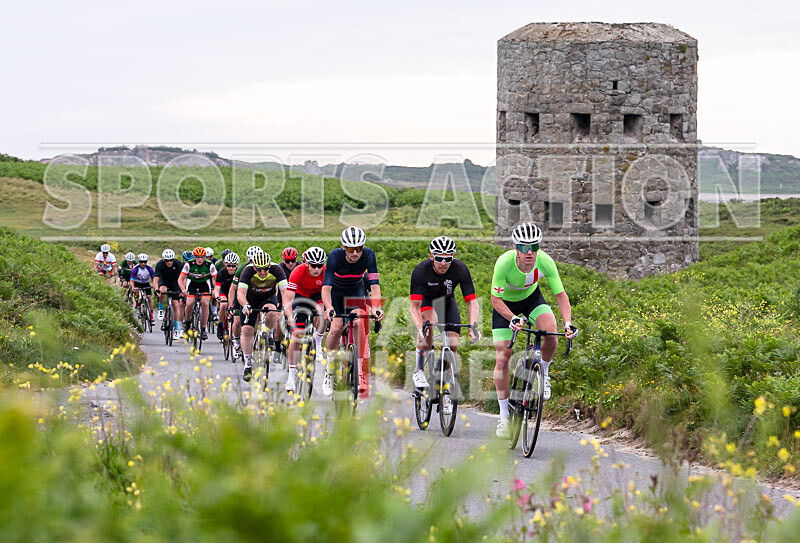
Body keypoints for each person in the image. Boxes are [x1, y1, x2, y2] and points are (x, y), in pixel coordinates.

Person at [490, 222, 576, 439]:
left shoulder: (545, 262)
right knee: (503, 358)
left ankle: (543, 373)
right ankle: (503, 417)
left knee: (551, 334)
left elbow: (561, 296)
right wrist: (511, 318)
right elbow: (495, 300)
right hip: (505, 308)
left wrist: (568, 323)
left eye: (534, 247)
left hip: (532, 300)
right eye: (524, 247)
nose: (530, 252)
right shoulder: (504, 263)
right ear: (515, 248)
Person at [409, 236, 480, 411]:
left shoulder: (460, 269)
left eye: (447, 259)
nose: (443, 263)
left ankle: (447, 391)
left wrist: (474, 327)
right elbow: (414, 307)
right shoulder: (421, 271)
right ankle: (418, 370)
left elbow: (472, 302)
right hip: (427, 302)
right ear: (431, 256)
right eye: (439, 258)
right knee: (429, 326)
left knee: (453, 344)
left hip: (448, 303)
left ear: (453, 258)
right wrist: (420, 328)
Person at [321, 226, 384, 398]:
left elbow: (374, 285)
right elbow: (326, 288)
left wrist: (376, 307)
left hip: (356, 291)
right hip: (336, 293)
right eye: (350, 249)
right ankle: (330, 369)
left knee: (358, 321)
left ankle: (359, 363)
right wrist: (329, 308)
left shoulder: (369, 255)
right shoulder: (335, 256)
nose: (355, 253)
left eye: (359, 249)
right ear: (343, 247)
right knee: (336, 327)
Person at [237, 251, 289, 382]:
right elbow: (241, 293)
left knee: (272, 312)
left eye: (265, 269)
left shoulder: (277, 269)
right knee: (246, 330)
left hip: (268, 297)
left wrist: (287, 308)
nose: (263, 273)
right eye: (259, 270)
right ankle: (248, 364)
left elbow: (285, 292)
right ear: (254, 267)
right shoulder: (247, 271)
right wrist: (245, 305)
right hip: (250, 299)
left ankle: (270, 333)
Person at [283, 246, 327, 392]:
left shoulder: (326, 272)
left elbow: (330, 294)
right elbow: (288, 299)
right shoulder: (297, 272)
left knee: (323, 313)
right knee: (297, 335)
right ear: (306, 263)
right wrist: (289, 316)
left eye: (320, 265)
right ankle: (291, 376)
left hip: (318, 296)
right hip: (300, 297)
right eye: (313, 265)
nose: (316, 269)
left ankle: (318, 345)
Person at [228, 246, 262, 358]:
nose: (253, 263)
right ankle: (236, 342)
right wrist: (230, 305)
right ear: (248, 260)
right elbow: (233, 288)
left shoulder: (263, 268)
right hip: (242, 295)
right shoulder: (242, 269)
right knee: (237, 321)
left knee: (258, 318)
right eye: (251, 261)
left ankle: (255, 340)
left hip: (256, 296)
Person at [179, 246, 217, 341]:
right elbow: (181, 279)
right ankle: (187, 323)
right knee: (189, 303)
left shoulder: (210, 265)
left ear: (205, 257)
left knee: (205, 303)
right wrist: (183, 289)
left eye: (202, 257)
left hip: (204, 284)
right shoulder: (189, 264)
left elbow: (215, 278)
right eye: (197, 257)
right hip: (192, 284)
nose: (200, 259)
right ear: (194, 257)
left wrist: (215, 289)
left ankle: (203, 329)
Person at [154, 249, 184, 339]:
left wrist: (183, 289)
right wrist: (156, 289)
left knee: (176, 304)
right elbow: (156, 279)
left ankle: (176, 329)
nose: (169, 262)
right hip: (164, 281)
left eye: (171, 260)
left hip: (175, 282)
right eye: (167, 261)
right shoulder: (159, 264)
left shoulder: (178, 264)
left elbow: (184, 278)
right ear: (164, 260)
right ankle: (160, 309)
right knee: (163, 290)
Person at [213, 251, 240, 341]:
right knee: (224, 304)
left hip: (235, 292)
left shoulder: (240, 272)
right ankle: (220, 324)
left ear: (237, 266)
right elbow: (217, 288)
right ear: (225, 265)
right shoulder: (221, 272)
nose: (231, 268)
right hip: (223, 291)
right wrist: (217, 297)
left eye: (233, 266)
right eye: (229, 266)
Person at [129, 253, 156, 324]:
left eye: (145, 262)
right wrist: (133, 287)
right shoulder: (135, 269)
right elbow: (131, 280)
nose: (143, 264)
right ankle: (137, 303)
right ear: (139, 262)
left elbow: (154, 279)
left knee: (149, 298)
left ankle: (151, 316)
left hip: (146, 283)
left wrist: (155, 285)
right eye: (141, 262)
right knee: (136, 292)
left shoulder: (149, 268)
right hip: (137, 283)